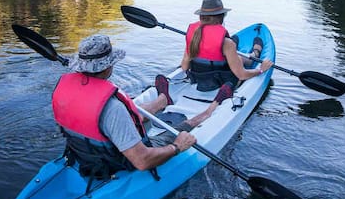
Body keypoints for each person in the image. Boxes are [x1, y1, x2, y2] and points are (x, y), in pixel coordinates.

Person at [52, 34, 231, 183]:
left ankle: (162, 100)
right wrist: (177, 147)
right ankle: (208, 111)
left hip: (86, 152)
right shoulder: (113, 108)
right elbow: (142, 161)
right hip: (117, 161)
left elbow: (101, 119)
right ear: (107, 68)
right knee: (185, 126)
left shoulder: (65, 88)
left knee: (130, 112)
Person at [181, 0, 273, 91]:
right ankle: (255, 54)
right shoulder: (227, 43)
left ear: (201, 16)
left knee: (237, 57)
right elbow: (241, 75)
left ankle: (250, 54)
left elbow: (184, 66)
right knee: (240, 59)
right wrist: (261, 70)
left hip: (198, 80)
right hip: (220, 82)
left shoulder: (192, 34)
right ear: (221, 16)